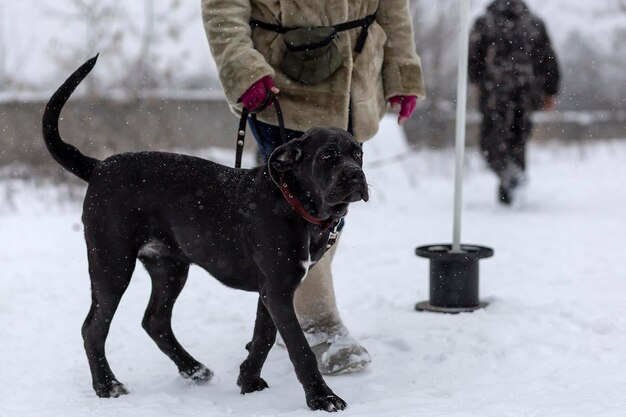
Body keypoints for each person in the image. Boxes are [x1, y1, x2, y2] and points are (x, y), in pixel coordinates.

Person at [201, 0, 425, 374]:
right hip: (285, 90)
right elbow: (222, 8)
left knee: (330, 212)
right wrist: (242, 67)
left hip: (357, 91)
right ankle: (318, 324)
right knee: (294, 219)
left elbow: (393, 9)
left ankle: (283, 306)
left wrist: (402, 72)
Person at [469, 0, 560, 205]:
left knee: (491, 140)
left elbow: (473, 57)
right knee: (517, 140)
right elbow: (548, 59)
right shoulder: (534, 22)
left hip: (495, 93)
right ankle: (511, 181)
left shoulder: (485, 22)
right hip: (526, 93)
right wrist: (549, 91)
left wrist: (477, 80)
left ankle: (508, 176)